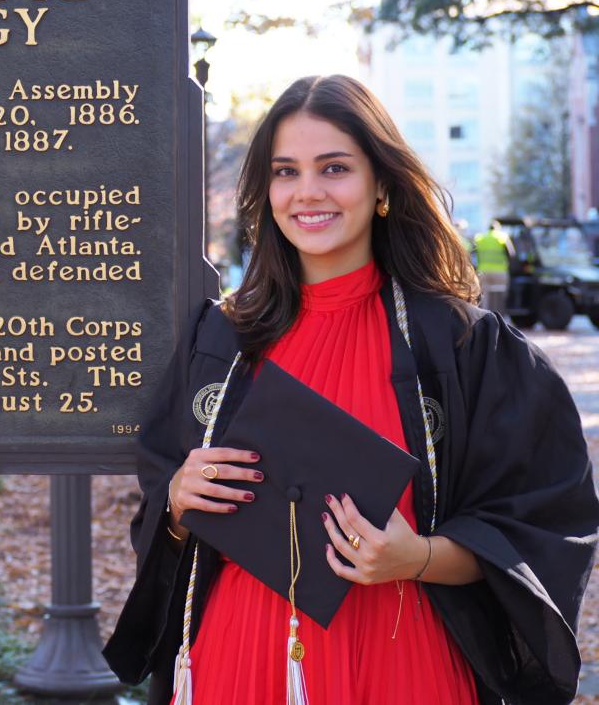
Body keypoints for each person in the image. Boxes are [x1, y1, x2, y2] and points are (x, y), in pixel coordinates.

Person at [103, 75, 599, 704]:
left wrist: (417, 556)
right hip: (240, 655)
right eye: (286, 172)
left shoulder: (459, 346)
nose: (307, 192)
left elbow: (542, 523)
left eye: (334, 168)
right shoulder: (222, 341)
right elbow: (161, 508)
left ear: (382, 185)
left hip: (403, 656)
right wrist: (178, 499)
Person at [473, 220, 513, 314]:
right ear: (498, 228)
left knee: (485, 296)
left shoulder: (480, 238)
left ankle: (485, 316)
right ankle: (500, 316)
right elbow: (511, 253)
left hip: (483, 271)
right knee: (499, 295)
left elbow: (474, 253)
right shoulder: (502, 237)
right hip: (500, 272)